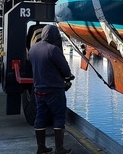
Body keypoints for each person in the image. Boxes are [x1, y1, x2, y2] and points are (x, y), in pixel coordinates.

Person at [29, 24, 75, 154]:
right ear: (54, 35)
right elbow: (65, 68)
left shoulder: (33, 49)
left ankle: (41, 147)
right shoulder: (53, 49)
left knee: (40, 118)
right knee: (59, 117)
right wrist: (68, 77)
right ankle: (59, 149)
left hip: (38, 90)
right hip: (54, 91)